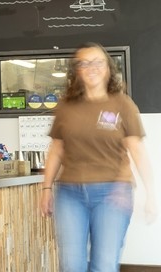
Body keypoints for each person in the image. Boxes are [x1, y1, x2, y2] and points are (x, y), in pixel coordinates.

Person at [39, 42, 157, 271]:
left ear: (108, 68)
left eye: (97, 62)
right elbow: (56, 149)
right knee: (71, 265)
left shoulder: (123, 104)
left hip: (113, 193)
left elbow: (138, 151)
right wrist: (45, 189)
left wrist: (151, 194)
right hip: (69, 194)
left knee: (104, 265)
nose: (91, 67)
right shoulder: (66, 106)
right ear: (77, 71)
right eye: (83, 63)